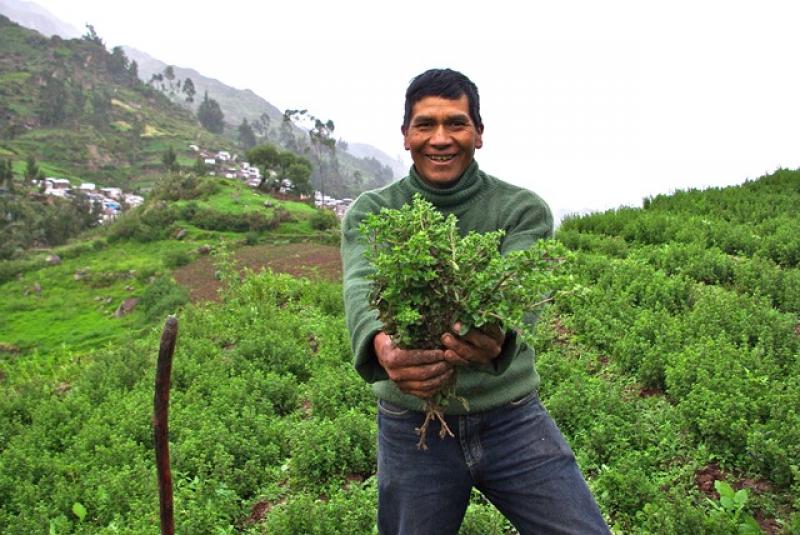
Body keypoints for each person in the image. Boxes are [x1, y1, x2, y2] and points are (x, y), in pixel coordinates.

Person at [341, 68, 609, 534]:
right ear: (405, 135)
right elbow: (361, 286)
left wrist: (495, 333)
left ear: (479, 134)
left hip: (512, 419)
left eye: (456, 123)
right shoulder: (374, 211)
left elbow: (519, 295)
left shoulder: (521, 209)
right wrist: (383, 345)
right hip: (413, 425)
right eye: (425, 124)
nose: (440, 138)